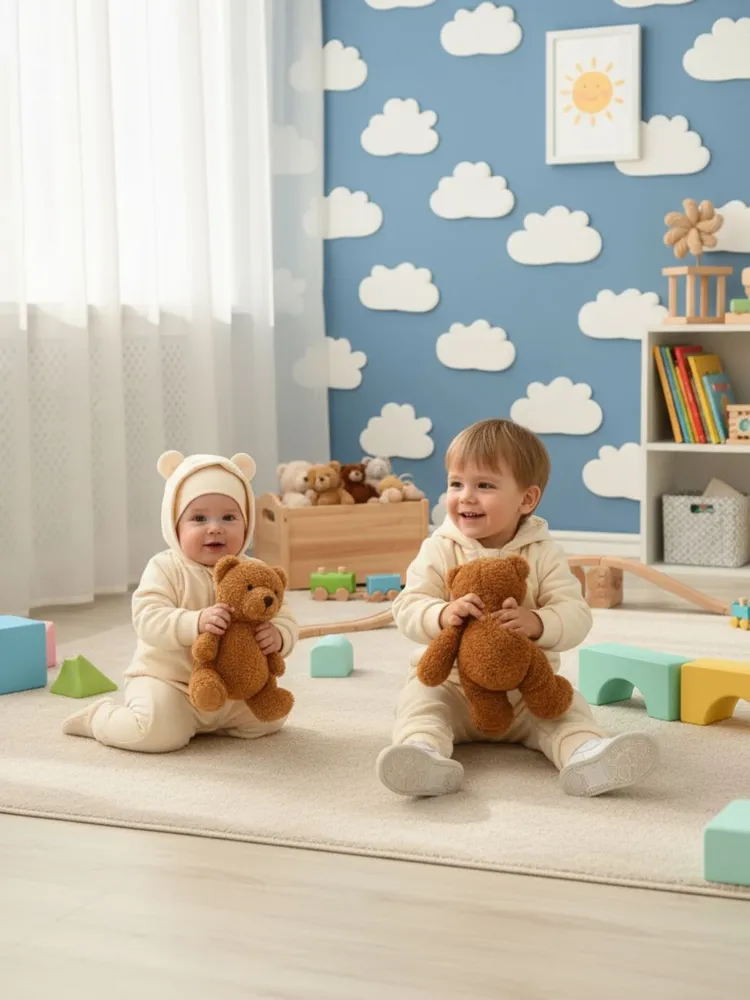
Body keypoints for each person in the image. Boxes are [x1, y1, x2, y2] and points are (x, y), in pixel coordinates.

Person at [376, 419, 658, 798]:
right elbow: (408, 605)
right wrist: (441, 614)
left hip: (526, 690)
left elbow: (576, 613)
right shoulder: (439, 547)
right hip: (454, 686)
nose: (466, 497)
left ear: (526, 500)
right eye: (456, 484)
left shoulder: (544, 552)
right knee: (420, 704)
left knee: (568, 709)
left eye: (484, 485)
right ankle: (421, 754)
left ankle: (587, 753)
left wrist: (538, 622)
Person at [63, 450, 298, 752]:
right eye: (199, 518)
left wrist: (279, 635)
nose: (215, 527)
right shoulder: (165, 568)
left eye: (229, 517)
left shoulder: (253, 570)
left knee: (271, 718)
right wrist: (194, 622)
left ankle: (210, 722)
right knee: (152, 733)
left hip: (230, 687)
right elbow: (147, 618)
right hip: (169, 684)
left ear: (247, 523)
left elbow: (283, 614)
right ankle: (99, 717)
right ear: (174, 525)